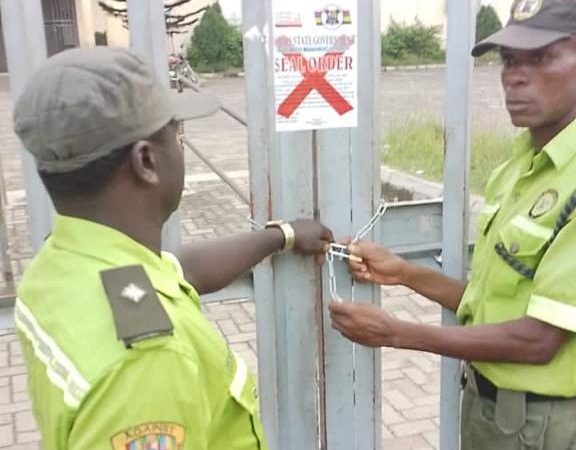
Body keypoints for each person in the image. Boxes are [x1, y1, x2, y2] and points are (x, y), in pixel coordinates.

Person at [12, 47, 333, 450]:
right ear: (146, 161)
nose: (181, 148)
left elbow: (179, 271)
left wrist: (281, 235)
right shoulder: (148, 363)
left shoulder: (60, 264)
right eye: (176, 135)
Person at [330, 0, 576, 448]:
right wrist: (403, 273)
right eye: (508, 60)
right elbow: (487, 304)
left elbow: (538, 340)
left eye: (540, 58)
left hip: (543, 426)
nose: (514, 76)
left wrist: (396, 333)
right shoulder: (521, 166)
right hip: (490, 411)